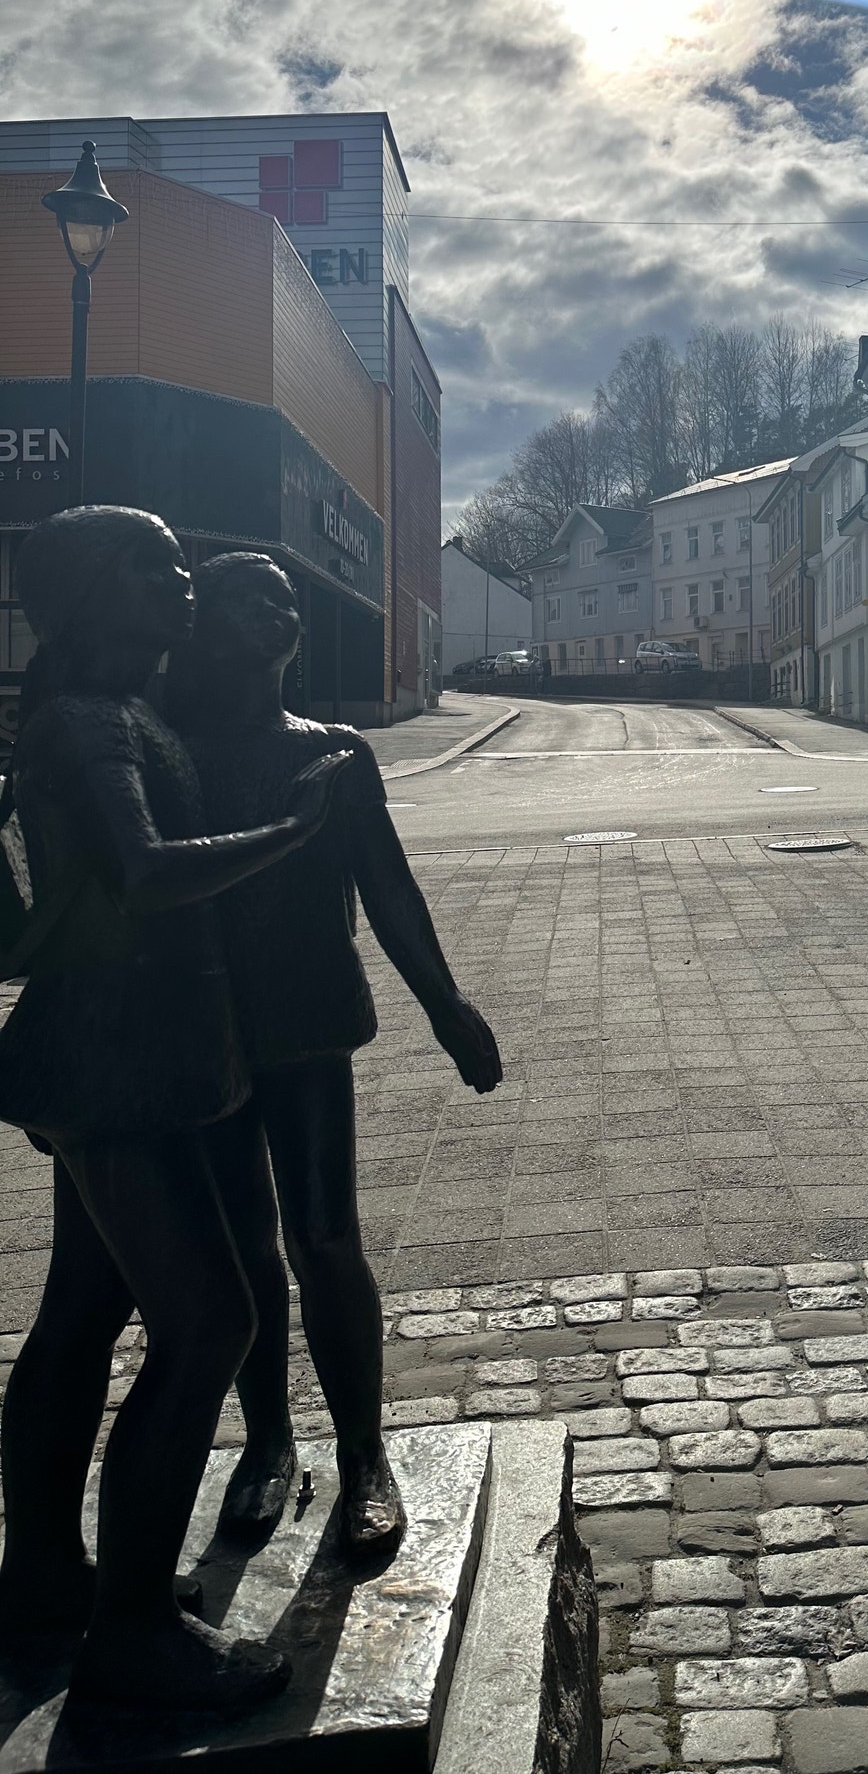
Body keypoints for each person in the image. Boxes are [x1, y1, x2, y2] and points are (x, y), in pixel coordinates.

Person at [0, 507, 348, 1711]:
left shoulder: (120, 710)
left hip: (129, 1053)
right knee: (210, 1324)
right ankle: (132, 1632)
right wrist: (291, 829)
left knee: (80, 1318)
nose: (180, 581)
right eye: (151, 565)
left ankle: (43, 1573)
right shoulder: (93, 722)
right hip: (120, 1061)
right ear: (93, 592)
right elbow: (146, 870)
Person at [169, 553, 501, 1558]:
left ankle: (364, 1453)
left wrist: (446, 1007)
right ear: (203, 625)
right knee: (241, 1252)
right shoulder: (168, 748)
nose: (275, 612)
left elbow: (389, 887)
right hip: (205, 1031)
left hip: (308, 1023)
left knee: (325, 1240)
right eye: (247, 598)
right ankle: (267, 1442)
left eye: (285, 600)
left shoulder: (336, 755)